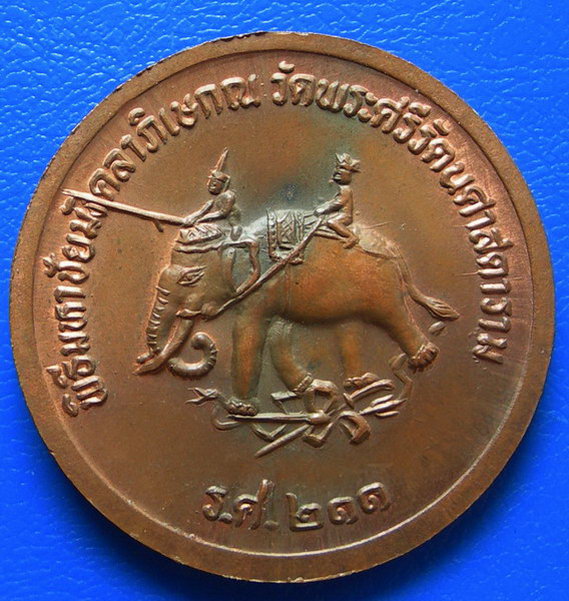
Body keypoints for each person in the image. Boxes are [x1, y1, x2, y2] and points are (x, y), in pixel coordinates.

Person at [176, 148, 241, 250]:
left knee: (232, 238)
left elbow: (222, 213)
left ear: (222, 185)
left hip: (233, 225)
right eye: (210, 183)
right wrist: (196, 216)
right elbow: (203, 211)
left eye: (214, 184)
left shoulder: (229, 196)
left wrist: (203, 218)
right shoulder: (215, 199)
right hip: (219, 224)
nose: (210, 186)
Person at [314, 153, 360, 248]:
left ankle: (352, 237)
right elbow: (335, 200)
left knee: (332, 222)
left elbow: (339, 202)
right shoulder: (341, 188)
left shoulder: (346, 189)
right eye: (338, 168)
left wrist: (324, 209)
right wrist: (324, 206)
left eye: (342, 168)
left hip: (345, 216)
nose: (338, 171)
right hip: (338, 213)